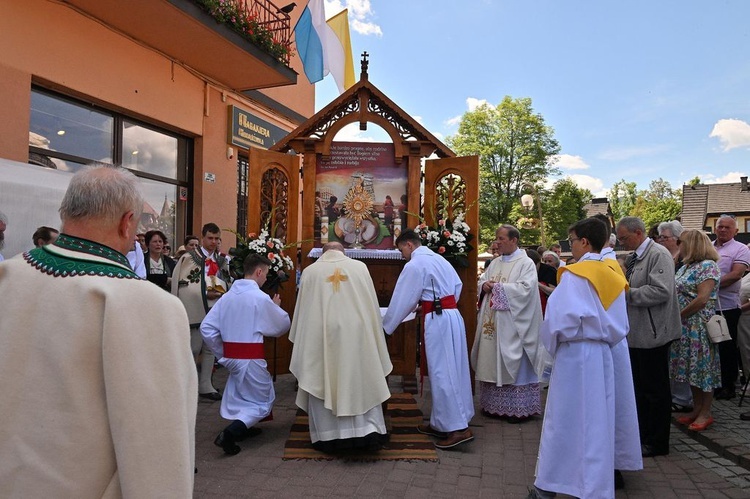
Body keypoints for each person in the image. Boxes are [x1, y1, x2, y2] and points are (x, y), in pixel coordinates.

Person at [0, 165, 196, 496]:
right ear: (126, 222)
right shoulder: (148, 305)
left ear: (65, 212)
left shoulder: (7, 275)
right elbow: (158, 449)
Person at [530, 217, 641, 499]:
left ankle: (550, 486)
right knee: (596, 422)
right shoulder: (614, 272)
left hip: (574, 355)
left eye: (572, 241)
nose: (571, 247)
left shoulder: (575, 275)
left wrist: (551, 350)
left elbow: (555, 322)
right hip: (603, 355)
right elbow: (620, 323)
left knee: (564, 422)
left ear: (585, 242)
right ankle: (594, 486)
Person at [290, 242, 392, 452]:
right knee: (361, 379)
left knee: (322, 377)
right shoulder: (360, 268)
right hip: (357, 333)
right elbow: (372, 307)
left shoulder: (310, 272)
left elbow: (301, 312)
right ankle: (367, 432)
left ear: (323, 252)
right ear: (343, 252)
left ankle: (329, 437)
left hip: (320, 334)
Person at [384, 230, 474, 449]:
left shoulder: (415, 265)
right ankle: (442, 423)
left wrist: (386, 326)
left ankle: (458, 429)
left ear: (408, 245)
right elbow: (456, 287)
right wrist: (434, 303)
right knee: (453, 369)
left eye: (400, 250)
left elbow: (402, 299)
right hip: (451, 316)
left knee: (443, 372)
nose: (401, 255)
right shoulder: (439, 259)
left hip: (439, 319)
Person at [201, 254, 291, 455]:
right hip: (250, 358)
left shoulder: (227, 297)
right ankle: (230, 434)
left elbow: (206, 328)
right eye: (266, 274)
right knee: (263, 401)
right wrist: (275, 309)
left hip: (231, 357)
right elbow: (281, 325)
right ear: (259, 272)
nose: (266, 278)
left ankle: (244, 428)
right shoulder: (259, 298)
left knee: (243, 396)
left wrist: (222, 351)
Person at [616, 216, 681, 457]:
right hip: (638, 332)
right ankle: (643, 436)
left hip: (654, 333)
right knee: (641, 389)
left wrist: (626, 293)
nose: (621, 242)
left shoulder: (658, 254)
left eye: (623, 238)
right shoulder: (635, 256)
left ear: (638, 232)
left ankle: (658, 442)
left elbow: (661, 291)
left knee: (656, 390)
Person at [472, 224, 545, 423]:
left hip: (514, 325)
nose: (497, 242)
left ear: (514, 240)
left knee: (515, 361)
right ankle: (493, 405)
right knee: (491, 360)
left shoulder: (525, 263)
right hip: (493, 323)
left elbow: (526, 289)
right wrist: (484, 285)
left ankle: (518, 408)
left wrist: (499, 288)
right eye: (497, 238)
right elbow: (483, 281)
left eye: (501, 238)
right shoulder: (494, 263)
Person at [173, 223, 232, 400]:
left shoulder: (222, 260)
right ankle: (185, 385)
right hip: (196, 307)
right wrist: (205, 291)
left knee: (210, 347)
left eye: (216, 238)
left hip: (215, 307)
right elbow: (182, 284)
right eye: (210, 238)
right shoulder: (189, 258)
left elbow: (228, 281)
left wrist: (221, 289)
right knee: (193, 347)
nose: (213, 242)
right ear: (203, 237)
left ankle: (206, 385)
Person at [670, 229, 721, 431]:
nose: (678, 246)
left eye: (681, 242)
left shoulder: (708, 266)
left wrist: (679, 315)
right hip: (684, 326)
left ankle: (706, 412)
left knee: (702, 369)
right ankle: (697, 408)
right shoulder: (686, 266)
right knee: (691, 370)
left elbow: (702, 299)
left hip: (698, 326)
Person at [656, 220, 693, 413]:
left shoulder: (684, 261)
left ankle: (683, 398)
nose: (660, 240)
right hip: (668, 317)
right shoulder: (666, 257)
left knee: (683, 360)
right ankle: (674, 395)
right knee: (673, 359)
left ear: (677, 239)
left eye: (665, 237)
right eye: (659, 237)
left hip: (686, 319)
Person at [712, 214, 750, 400]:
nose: (723, 230)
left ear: (735, 231)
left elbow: (735, 275)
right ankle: (714, 383)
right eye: (720, 226)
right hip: (707, 306)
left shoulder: (740, 249)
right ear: (715, 228)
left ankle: (728, 386)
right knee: (711, 348)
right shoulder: (708, 247)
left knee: (727, 348)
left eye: (728, 227)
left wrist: (708, 285)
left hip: (727, 308)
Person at [527, 249, 556, 316]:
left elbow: (555, 291)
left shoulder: (549, 271)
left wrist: (538, 284)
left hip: (546, 309)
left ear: (538, 263)